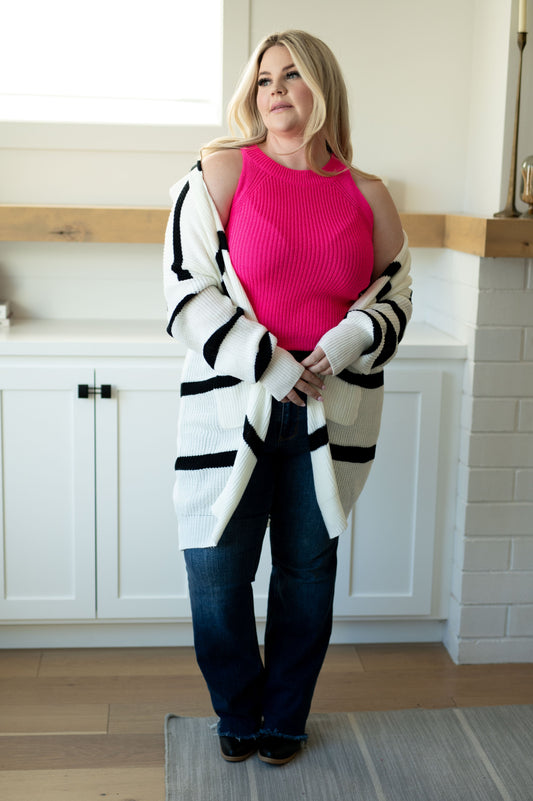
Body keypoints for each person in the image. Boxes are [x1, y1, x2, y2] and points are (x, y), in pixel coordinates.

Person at [163, 29, 412, 766]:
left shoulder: (368, 193)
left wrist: (349, 340)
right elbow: (184, 288)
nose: (274, 90)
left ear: (323, 87)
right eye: (264, 78)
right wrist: (268, 362)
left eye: (292, 75)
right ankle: (238, 710)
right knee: (216, 570)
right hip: (232, 407)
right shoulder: (221, 170)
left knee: (306, 574)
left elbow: (395, 296)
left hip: (329, 414)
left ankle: (286, 717)